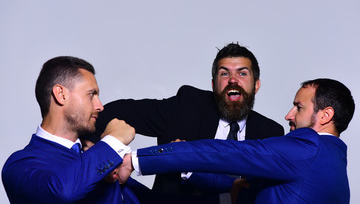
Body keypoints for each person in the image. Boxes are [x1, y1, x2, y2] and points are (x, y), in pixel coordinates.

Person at [85, 43, 284, 203]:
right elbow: (120, 111)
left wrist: (188, 164)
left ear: (256, 85)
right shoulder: (188, 105)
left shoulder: (271, 132)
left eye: (242, 73)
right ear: (213, 85)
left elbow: (253, 191)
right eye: (224, 73)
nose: (233, 80)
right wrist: (92, 146)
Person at [120, 78, 355, 204]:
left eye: (299, 107)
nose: (288, 115)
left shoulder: (307, 148)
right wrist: (188, 170)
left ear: (326, 115)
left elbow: (227, 153)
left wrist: (136, 160)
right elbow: (239, 187)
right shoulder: (334, 164)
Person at [1, 56, 140, 204]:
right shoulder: (19, 166)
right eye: (91, 95)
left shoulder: (99, 160)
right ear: (61, 95)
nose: (100, 106)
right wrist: (114, 140)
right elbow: (61, 192)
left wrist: (135, 164)